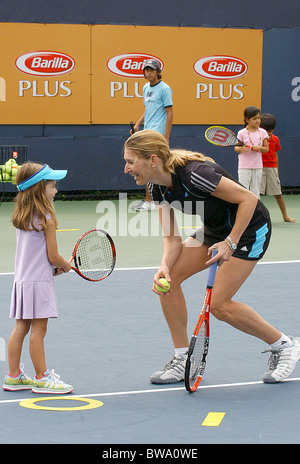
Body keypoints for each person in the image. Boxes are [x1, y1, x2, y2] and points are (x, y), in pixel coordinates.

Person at [124, 129, 300, 384]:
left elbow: (248, 199)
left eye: (131, 161)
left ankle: (285, 345)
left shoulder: (196, 174)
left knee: (219, 305)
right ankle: (184, 358)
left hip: (250, 229)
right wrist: (164, 265)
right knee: (167, 282)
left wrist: (230, 242)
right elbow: (171, 238)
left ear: (152, 159)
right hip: (213, 231)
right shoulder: (157, 185)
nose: (126, 169)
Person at [3, 162, 73, 394]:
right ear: (39, 189)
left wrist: (52, 266)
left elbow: (35, 254)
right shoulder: (47, 219)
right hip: (39, 284)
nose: (56, 191)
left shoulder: (21, 216)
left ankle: (13, 376)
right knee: (39, 331)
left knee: (20, 327)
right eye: (52, 186)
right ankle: (42, 378)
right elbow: (52, 255)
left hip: (22, 282)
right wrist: (65, 266)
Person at [130, 59, 173, 211]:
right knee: (147, 164)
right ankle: (152, 201)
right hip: (147, 131)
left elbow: (169, 112)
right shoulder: (146, 87)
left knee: (151, 165)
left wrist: (166, 136)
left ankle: (152, 201)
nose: (148, 73)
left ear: (157, 72)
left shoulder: (165, 89)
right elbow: (148, 109)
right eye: (146, 70)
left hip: (158, 134)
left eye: (151, 70)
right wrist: (137, 124)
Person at [260, 113, 295, 223]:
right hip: (258, 168)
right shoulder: (257, 139)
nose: (269, 133)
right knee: (256, 195)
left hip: (272, 169)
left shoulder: (275, 139)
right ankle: (255, 218)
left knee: (278, 194)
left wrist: (277, 170)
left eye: (271, 131)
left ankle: (285, 216)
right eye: (266, 131)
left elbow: (275, 155)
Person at [234, 106, 269, 198]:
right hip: (244, 167)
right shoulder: (241, 133)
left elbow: (266, 149)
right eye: (254, 119)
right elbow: (236, 148)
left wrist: (257, 148)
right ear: (247, 120)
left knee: (256, 191)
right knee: (243, 190)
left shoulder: (263, 132)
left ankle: (256, 211)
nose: (257, 121)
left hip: (257, 166)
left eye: (258, 118)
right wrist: (241, 149)